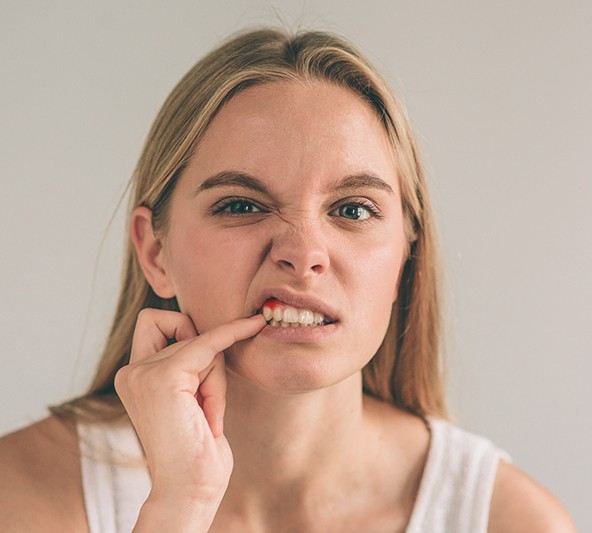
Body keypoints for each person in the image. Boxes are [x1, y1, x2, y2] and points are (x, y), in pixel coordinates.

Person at [0, 26, 576, 532]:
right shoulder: (22, 496)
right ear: (156, 252)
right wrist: (180, 506)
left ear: (406, 256)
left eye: (352, 210)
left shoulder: (510, 522)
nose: (303, 255)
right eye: (242, 206)